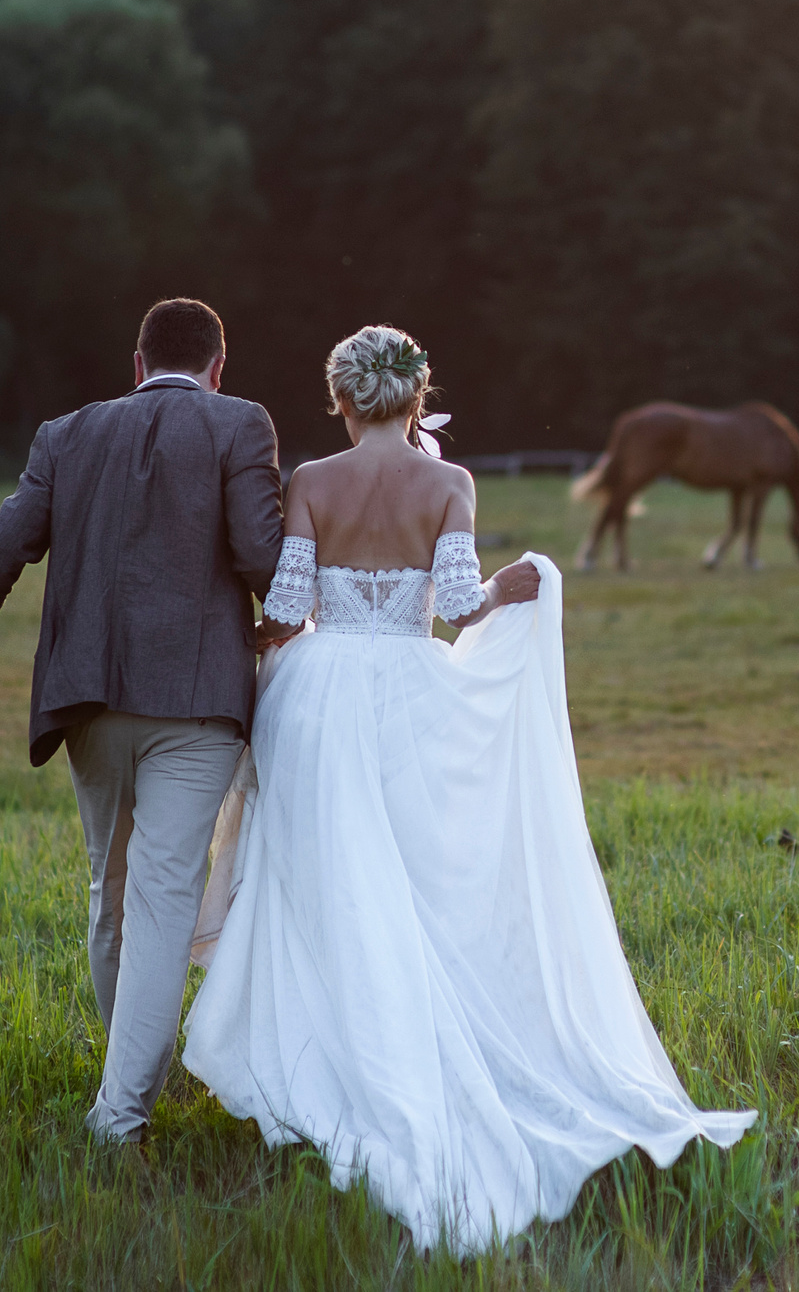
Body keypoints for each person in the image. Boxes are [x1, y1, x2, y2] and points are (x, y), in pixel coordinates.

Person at [183, 324, 755, 1254]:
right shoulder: (448, 483)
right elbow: (458, 605)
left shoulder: (311, 484)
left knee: (328, 878)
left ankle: (322, 1042)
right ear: (416, 399)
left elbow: (286, 610)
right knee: (405, 870)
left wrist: (257, 643)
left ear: (339, 400)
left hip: (318, 697)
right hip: (409, 687)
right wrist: (525, 583)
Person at [0, 297, 282, 1145]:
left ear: (137, 363)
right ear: (218, 365)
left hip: (87, 696)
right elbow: (260, 552)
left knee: (112, 894)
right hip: (197, 702)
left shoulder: (67, 433)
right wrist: (294, 617)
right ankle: (120, 1113)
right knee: (163, 897)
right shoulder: (242, 423)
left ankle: (125, 1088)